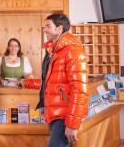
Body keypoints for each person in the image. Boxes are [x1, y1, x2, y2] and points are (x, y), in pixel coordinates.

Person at [36, 13, 89, 147]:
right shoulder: (54, 51)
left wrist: (72, 124)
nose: (44, 29)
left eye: (48, 26)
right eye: (44, 27)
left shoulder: (73, 50)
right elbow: (51, 82)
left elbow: (80, 90)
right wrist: (26, 83)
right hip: (54, 113)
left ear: (59, 29)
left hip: (64, 116)